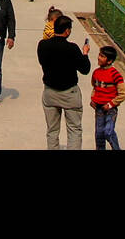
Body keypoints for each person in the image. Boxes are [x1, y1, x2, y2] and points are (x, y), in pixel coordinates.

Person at [37, 14, 92, 150]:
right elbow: (85, 69)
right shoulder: (72, 48)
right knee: (74, 130)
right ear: (67, 30)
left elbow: (42, 61)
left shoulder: (42, 45)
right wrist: (85, 53)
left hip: (50, 92)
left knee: (52, 131)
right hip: (69, 93)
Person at [90, 45, 125, 150]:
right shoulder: (96, 73)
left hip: (110, 110)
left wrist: (111, 104)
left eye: (102, 56)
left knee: (108, 132)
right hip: (99, 109)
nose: (99, 58)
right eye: (99, 55)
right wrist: (93, 98)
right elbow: (95, 87)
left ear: (109, 61)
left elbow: (123, 93)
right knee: (99, 135)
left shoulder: (115, 74)